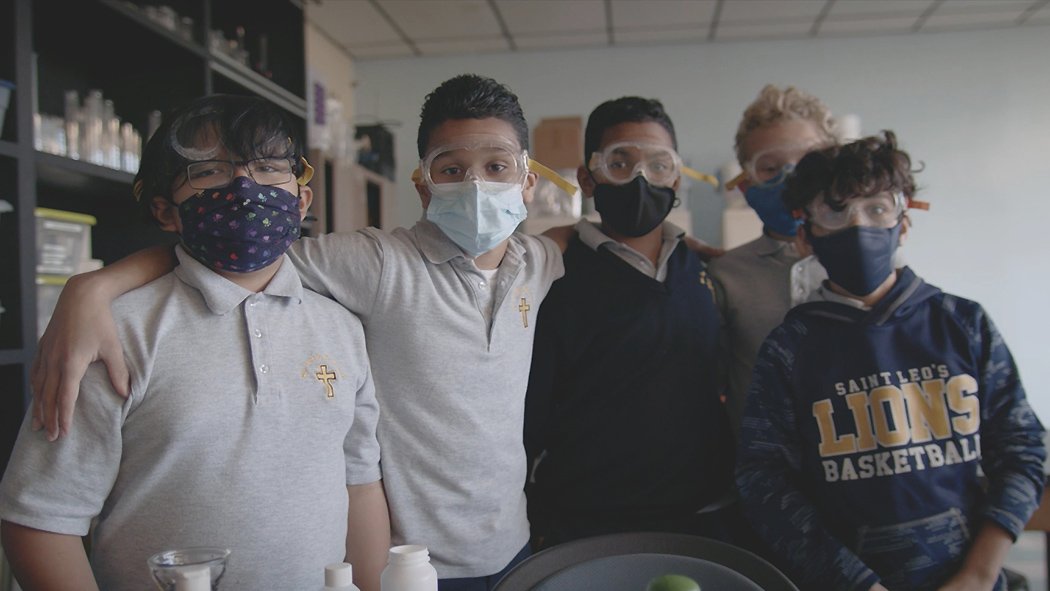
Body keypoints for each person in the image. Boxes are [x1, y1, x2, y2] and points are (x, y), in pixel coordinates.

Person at [28, 75, 570, 591]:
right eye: (450, 169)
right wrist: (92, 288)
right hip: (411, 557)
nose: (244, 188)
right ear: (424, 185)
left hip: (508, 545)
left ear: (527, 181)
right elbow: (237, 255)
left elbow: (583, 236)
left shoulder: (536, 260)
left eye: (497, 166)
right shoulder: (377, 263)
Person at [0, 95, 389, 591]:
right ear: (167, 212)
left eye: (269, 167)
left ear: (302, 200)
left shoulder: (342, 327)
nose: (245, 187)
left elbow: (359, 481)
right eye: (208, 173)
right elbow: (40, 516)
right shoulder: (111, 334)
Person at [735, 131, 1046, 591]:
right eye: (835, 211)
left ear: (902, 223)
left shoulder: (962, 324)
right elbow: (764, 481)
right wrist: (854, 583)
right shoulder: (790, 348)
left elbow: (1023, 449)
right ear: (805, 237)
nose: (859, 225)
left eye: (877, 208)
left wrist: (979, 574)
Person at [524, 97, 735, 547]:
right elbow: (526, 419)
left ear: (675, 177)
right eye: (620, 162)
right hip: (584, 524)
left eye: (658, 165)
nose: (641, 178)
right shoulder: (552, 273)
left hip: (702, 517)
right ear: (587, 177)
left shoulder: (702, 268)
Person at [706, 84, 837, 437]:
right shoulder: (726, 275)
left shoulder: (868, 263)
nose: (790, 178)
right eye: (769, 167)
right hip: (761, 470)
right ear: (746, 184)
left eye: (807, 161)